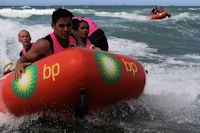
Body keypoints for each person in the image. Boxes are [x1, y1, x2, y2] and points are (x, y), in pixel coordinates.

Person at [15, 8, 75, 80]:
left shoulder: (74, 37)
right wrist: (18, 64)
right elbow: (24, 58)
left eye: (69, 25)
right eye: (61, 26)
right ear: (53, 26)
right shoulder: (44, 44)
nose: (66, 29)